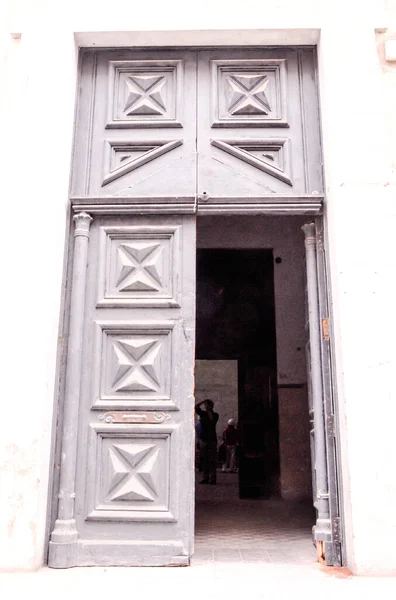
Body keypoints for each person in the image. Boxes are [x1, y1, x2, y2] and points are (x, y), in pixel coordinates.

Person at [195, 399, 219, 484]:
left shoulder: (215, 415)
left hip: (212, 440)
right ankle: (205, 478)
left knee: (212, 460)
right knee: (204, 459)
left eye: (207, 405)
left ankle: (212, 478)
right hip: (203, 439)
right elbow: (195, 407)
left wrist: (209, 409)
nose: (205, 406)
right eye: (205, 405)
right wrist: (203, 401)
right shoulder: (203, 414)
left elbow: (212, 420)